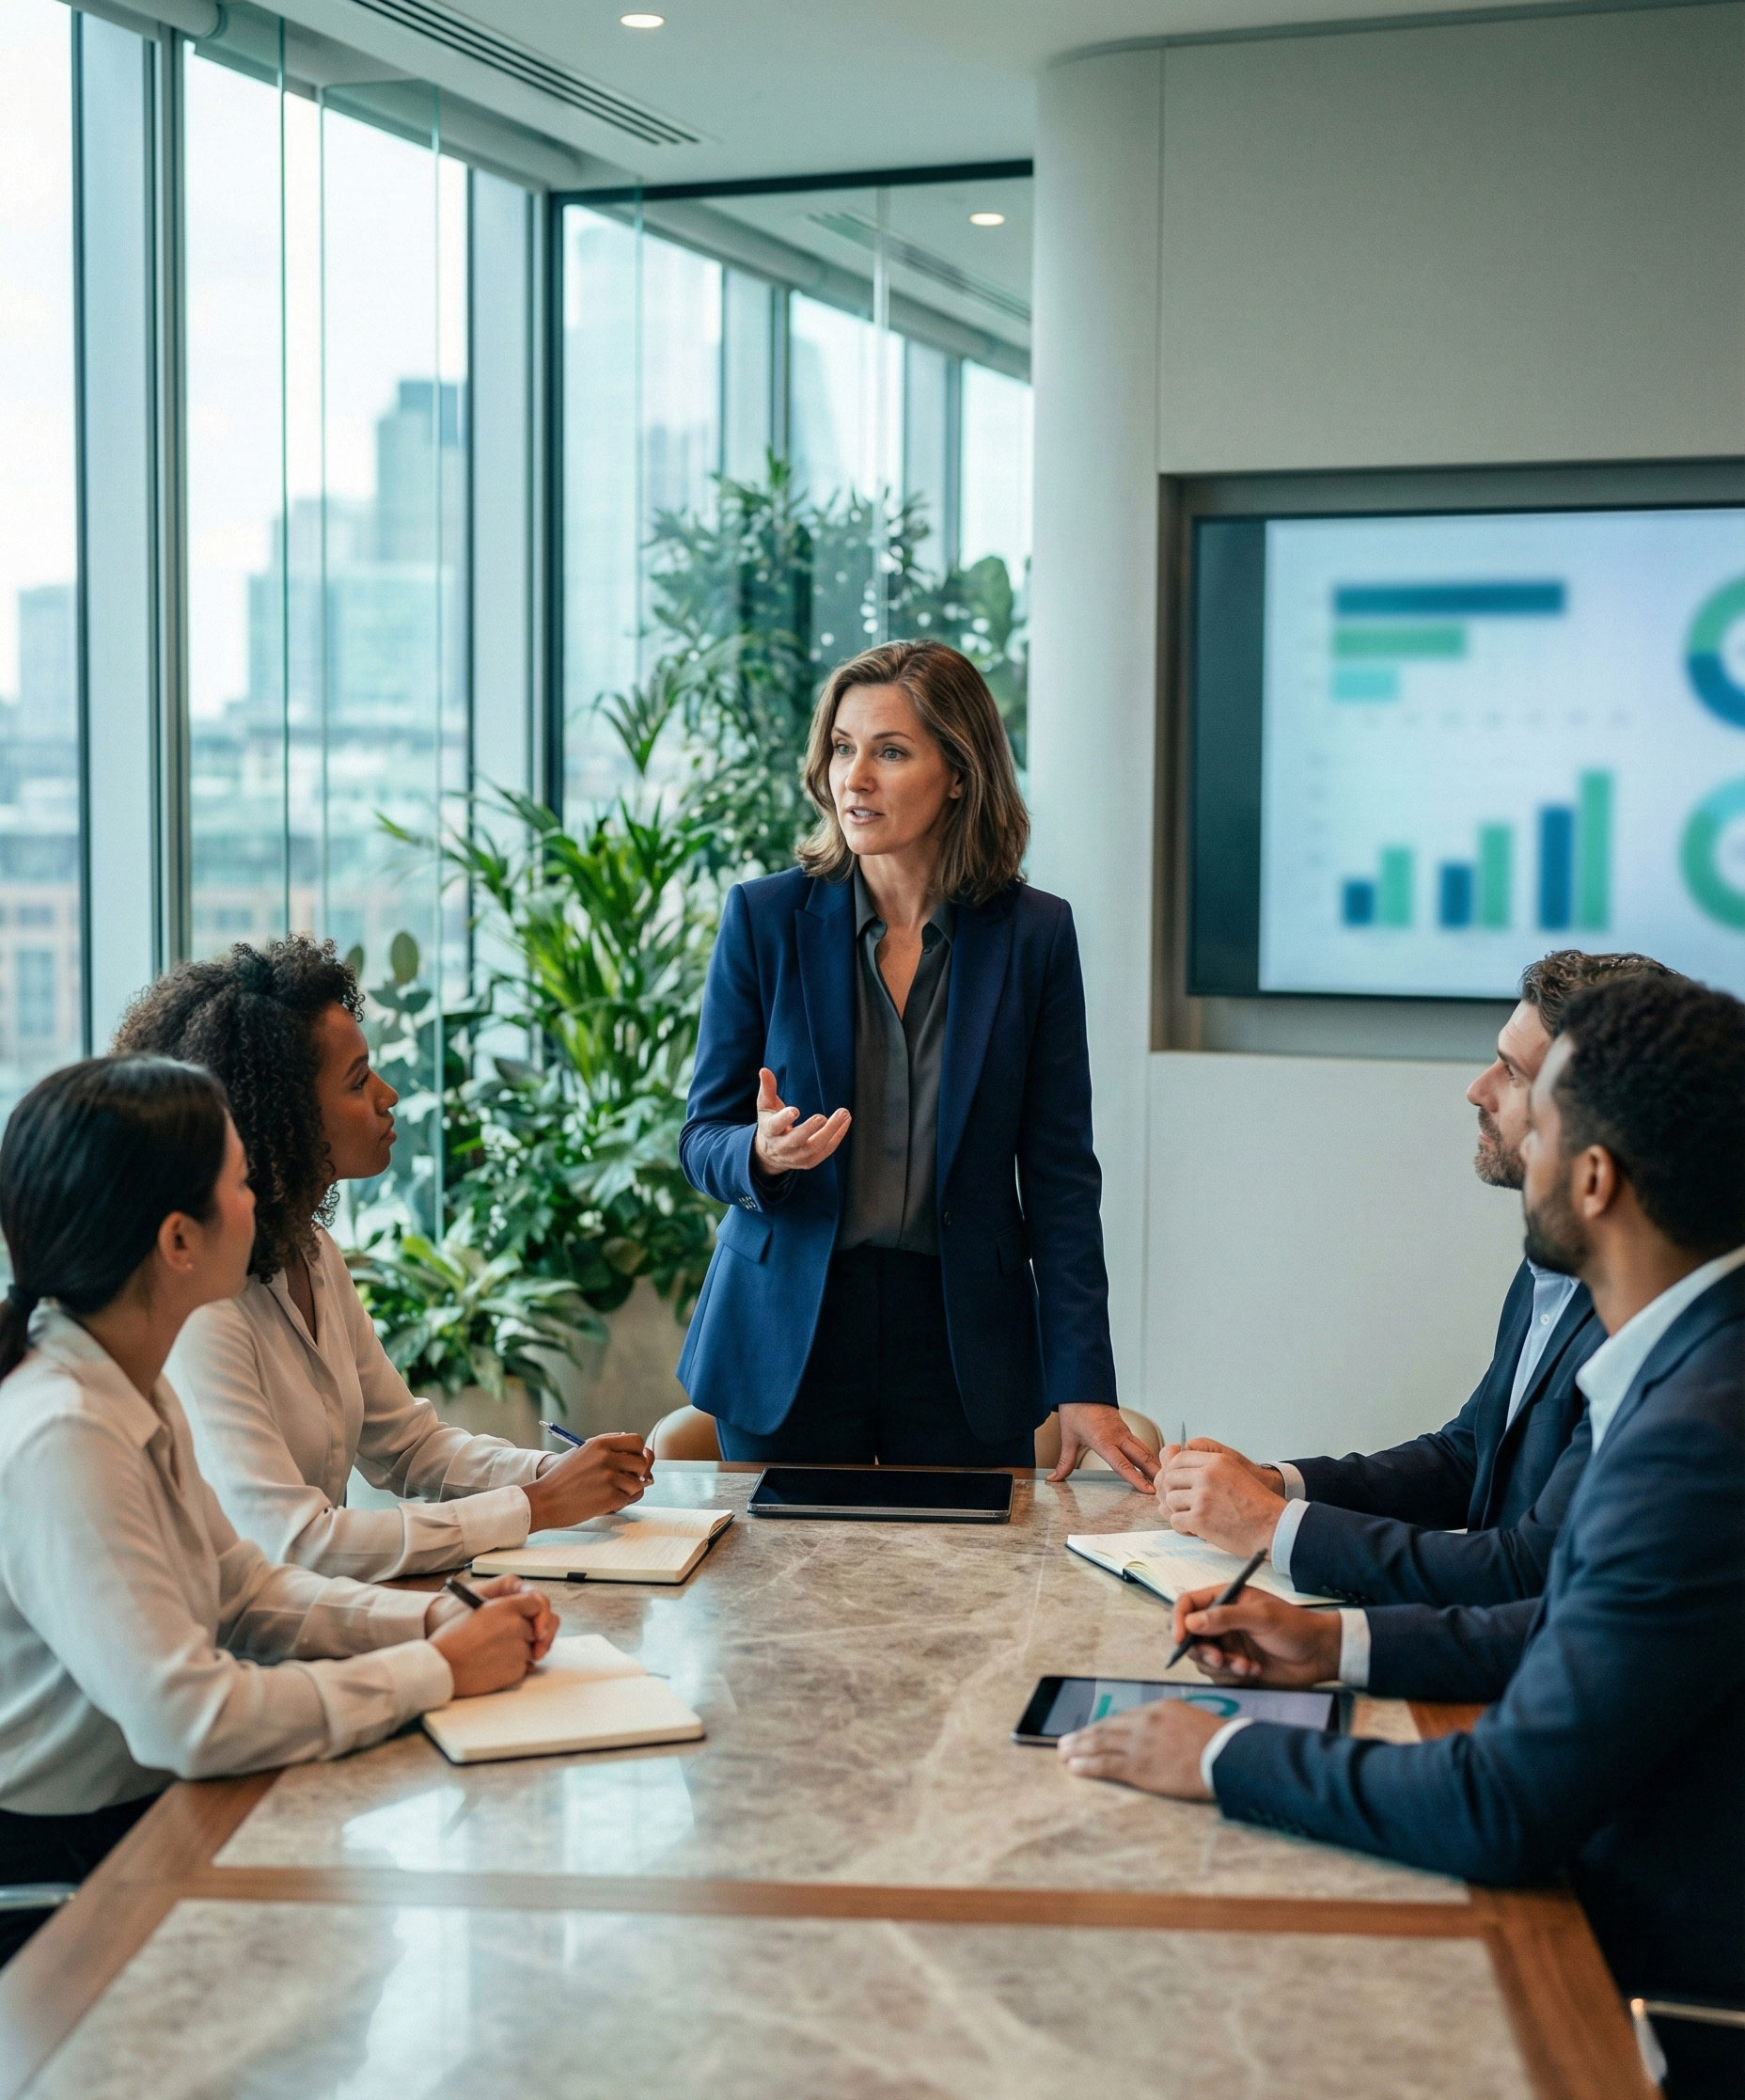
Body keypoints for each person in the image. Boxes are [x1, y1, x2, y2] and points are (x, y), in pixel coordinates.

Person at [1058, 972, 1745, 2100]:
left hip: (1657, 2003)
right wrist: (1334, 1644)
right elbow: (1576, 1629)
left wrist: (1215, 1752)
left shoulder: (1692, 1435)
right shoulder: (1695, 1364)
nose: (1513, 1133)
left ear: (1591, 1180)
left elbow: (1499, 1805)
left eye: (1542, 1117)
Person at [0, 1056, 557, 1966]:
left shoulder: (123, 1377)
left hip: (152, 1817)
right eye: (241, 1181)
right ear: (180, 1240)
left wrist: (431, 1618)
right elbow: (192, 1718)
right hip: (75, 1882)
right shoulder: (65, 1430)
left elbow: (247, 1592)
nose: (262, 1199)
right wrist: (434, 1670)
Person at [677, 639, 1154, 1486]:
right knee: (782, 1611)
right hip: (791, 1326)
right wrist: (760, 1153)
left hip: (962, 1336)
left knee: (964, 1610)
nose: (853, 778)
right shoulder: (764, 918)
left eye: (890, 752)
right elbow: (700, 1137)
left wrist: (1082, 1377)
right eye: (842, 748)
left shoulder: (1035, 937)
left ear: (960, 772)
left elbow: (1060, 1178)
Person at [113, 939, 652, 1581]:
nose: (388, 1094)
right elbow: (293, 1546)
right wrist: (535, 1506)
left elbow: (408, 1447)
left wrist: (554, 1473)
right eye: (358, 1079)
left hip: (318, 1622)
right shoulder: (202, 1307)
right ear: (281, 1117)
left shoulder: (310, 1251)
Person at [1158, 949, 1673, 1605]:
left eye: (1512, 1074)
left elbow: (1528, 1571)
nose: (1477, 1088)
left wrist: (1270, 1527)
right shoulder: (1550, 1262)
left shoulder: (1643, 1316)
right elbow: (1469, 1455)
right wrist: (1274, 1484)